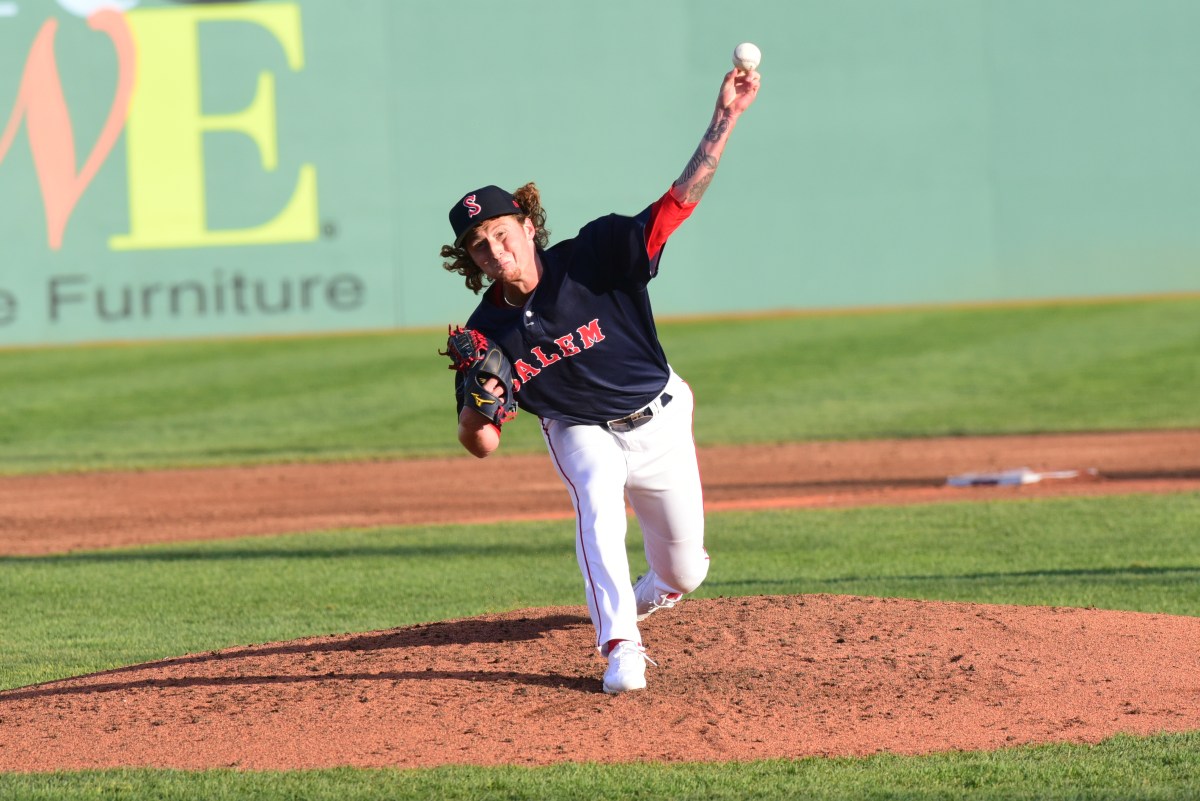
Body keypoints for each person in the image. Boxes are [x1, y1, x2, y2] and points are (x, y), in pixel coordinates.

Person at [439, 64, 760, 694]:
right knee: (595, 501)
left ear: (528, 226)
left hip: (660, 414)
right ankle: (621, 647)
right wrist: (481, 402)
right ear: (471, 261)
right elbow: (480, 443)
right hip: (580, 428)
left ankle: (649, 593)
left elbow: (679, 201)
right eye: (479, 245)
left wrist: (726, 119)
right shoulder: (484, 335)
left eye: (501, 232)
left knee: (685, 572)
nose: (495, 250)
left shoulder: (597, 252)